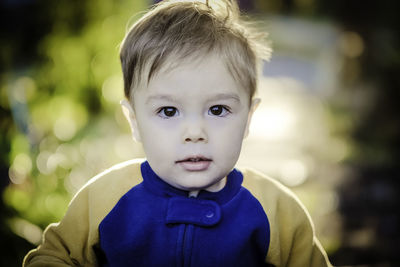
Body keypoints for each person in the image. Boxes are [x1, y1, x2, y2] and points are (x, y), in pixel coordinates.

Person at [24, 0, 333, 266]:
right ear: (133, 121)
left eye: (217, 110)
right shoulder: (103, 200)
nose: (195, 133)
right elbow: (52, 257)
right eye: (169, 111)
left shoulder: (276, 212)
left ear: (249, 117)